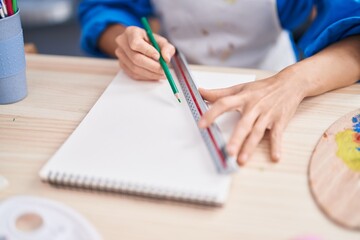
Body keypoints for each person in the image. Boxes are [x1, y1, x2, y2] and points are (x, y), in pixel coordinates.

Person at [78, 0, 360, 165]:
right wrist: (128, 42)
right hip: (172, 74)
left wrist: (293, 82)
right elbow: (105, 8)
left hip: (279, 78)